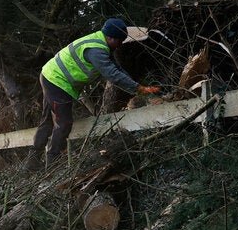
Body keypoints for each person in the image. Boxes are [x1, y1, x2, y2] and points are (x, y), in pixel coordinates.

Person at [24, 17, 160, 171]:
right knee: (64, 123)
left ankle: (32, 163)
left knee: (47, 120)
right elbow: (112, 74)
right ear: (110, 37)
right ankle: (53, 164)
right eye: (119, 41)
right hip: (57, 81)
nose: (121, 45)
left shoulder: (101, 42)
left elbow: (117, 69)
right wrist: (138, 89)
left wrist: (136, 85)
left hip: (51, 76)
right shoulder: (96, 50)